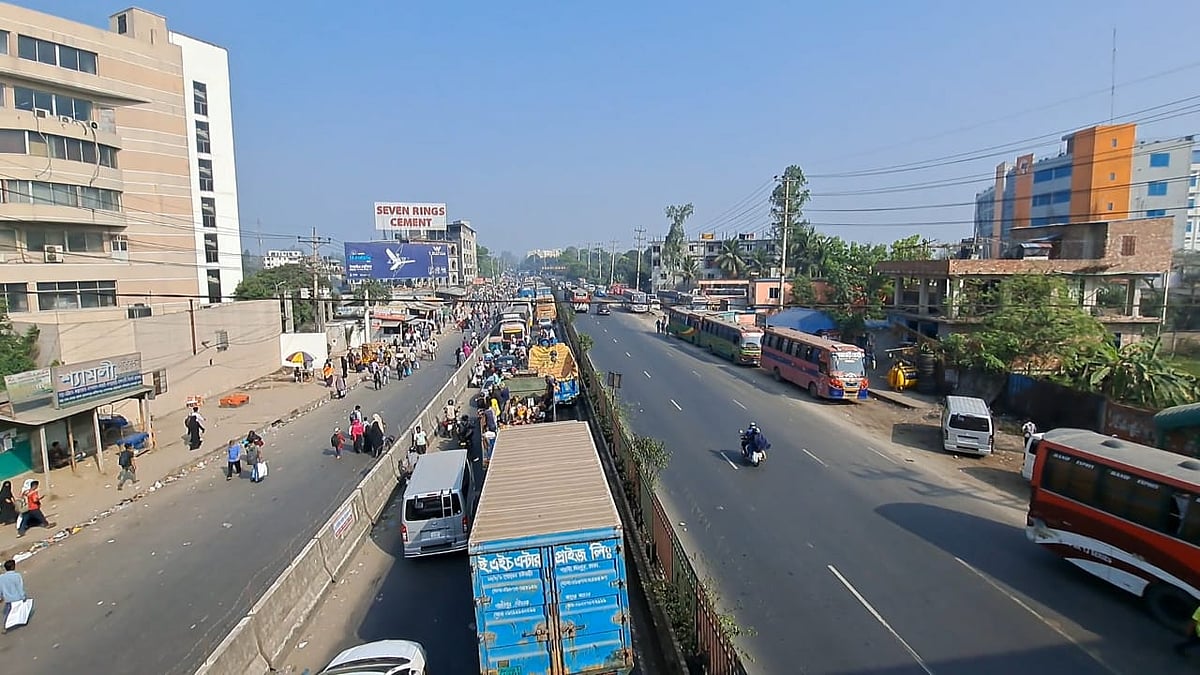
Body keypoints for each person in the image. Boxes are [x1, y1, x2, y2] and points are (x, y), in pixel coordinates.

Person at [0, 559, 27, 634]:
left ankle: (6, 627)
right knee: (20, 610)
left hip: (8, 599)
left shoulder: (1, 577)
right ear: (13, 567)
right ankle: (21, 621)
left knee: (8, 613)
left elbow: (0, 588)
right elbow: (19, 587)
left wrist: (1, 597)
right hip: (17, 598)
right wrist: (23, 597)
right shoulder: (17, 576)